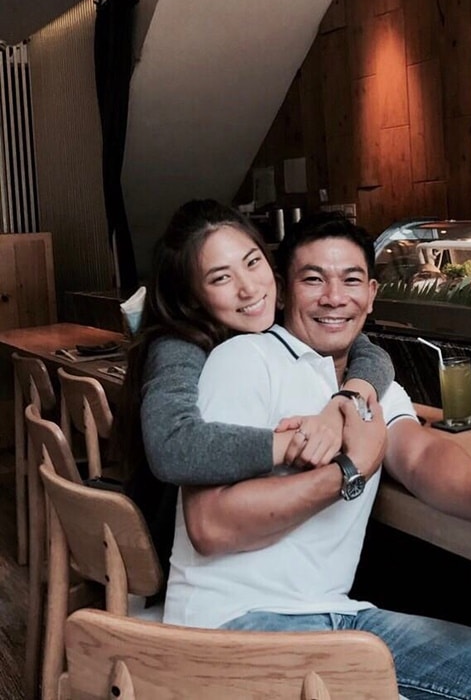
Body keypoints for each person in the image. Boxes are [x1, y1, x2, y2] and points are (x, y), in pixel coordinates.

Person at [163, 211, 471, 700]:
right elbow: (209, 526)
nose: (334, 297)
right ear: (283, 292)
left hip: (336, 619)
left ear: (370, 295)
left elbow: (421, 454)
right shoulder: (245, 360)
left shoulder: (371, 386)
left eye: (350, 281)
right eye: (313, 280)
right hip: (229, 630)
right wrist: (349, 470)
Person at [116, 199, 394, 571]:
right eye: (221, 278)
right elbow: (171, 446)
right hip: (169, 546)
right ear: (191, 297)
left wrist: (345, 399)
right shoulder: (177, 345)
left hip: (248, 547)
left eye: (252, 262)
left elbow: (369, 351)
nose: (248, 289)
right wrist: (297, 443)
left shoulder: (265, 316)